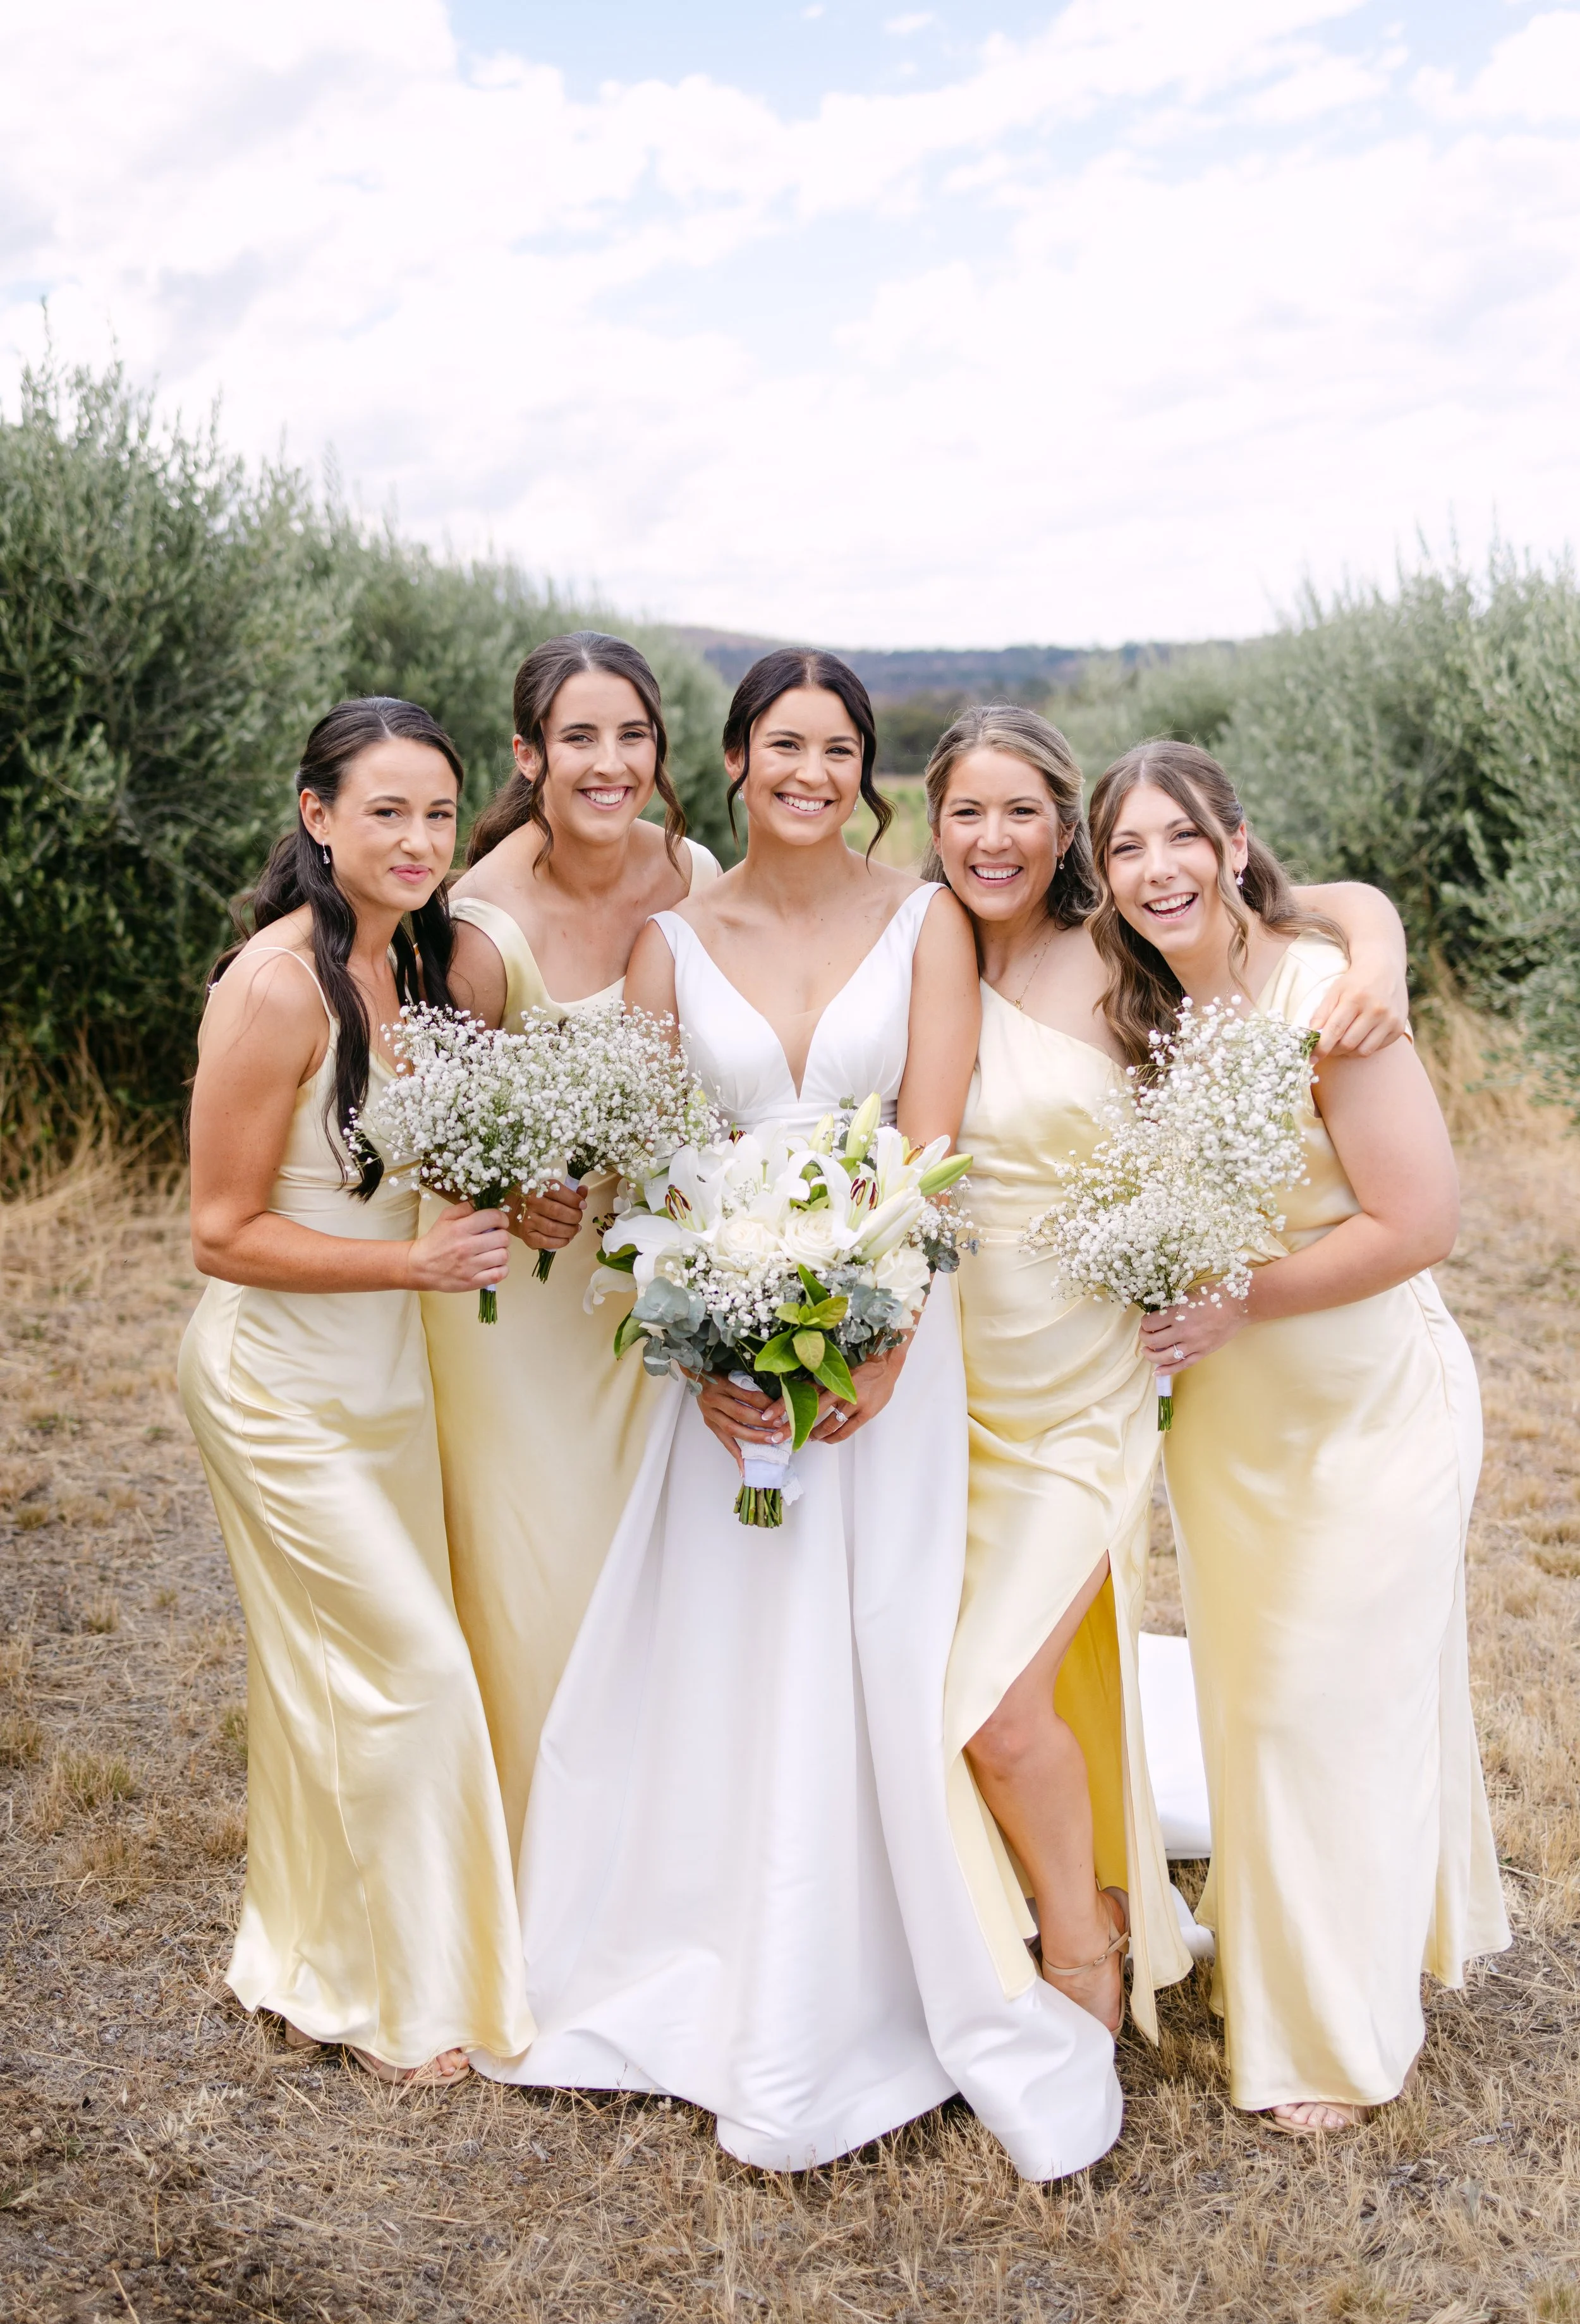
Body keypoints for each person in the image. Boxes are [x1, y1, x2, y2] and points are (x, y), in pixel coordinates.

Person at [476, 652, 1125, 2181]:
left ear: (865, 771)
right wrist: (687, 1318)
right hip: (717, 1345)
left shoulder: (925, 925)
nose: (813, 773)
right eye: (786, 745)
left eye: (840, 749)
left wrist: (879, 1337)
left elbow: (933, 1148)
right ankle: (700, 1953)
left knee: (878, 1636)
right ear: (734, 760)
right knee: (727, 1634)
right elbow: (639, 1162)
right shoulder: (665, 944)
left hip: (890, 1335)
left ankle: (890, 1971)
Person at [925, 707, 1415, 2043]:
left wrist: (1377, 947)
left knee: (996, 1699)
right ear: (931, 826)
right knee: (940, 1675)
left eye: (1023, 810)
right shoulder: (918, 950)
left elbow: (1312, 904)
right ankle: (1060, 1906)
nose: (993, 838)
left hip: (1085, 1383)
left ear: (1059, 831)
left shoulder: (1116, 955)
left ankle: (1086, 1955)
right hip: (946, 1383)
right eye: (965, 811)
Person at [1087, 737, 1510, 2134]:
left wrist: (1237, 1297)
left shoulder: (1323, 996)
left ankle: (1332, 2035)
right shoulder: (1137, 1011)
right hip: (1230, 1431)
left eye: (1177, 837)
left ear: (1230, 840)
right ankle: (1296, 1966)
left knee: (1336, 1707)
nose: (1154, 869)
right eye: (1125, 846)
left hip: (1366, 1410)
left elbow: (1418, 1222)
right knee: (1262, 1715)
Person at [179, 698, 531, 2085]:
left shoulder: (417, 965)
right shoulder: (274, 984)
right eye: (384, 809)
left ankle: (315, 1946)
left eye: (438, 811)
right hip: (277, 1384)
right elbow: (217, 1230)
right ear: (318, 815)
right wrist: (419, 1266)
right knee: (410, 1669)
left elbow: (417, 1174)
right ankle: (396, 1992)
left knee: (337, 1673)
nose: (417, 837)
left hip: (383, 1379)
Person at [426, 632, 722, 1861]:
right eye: (581, 737)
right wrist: (507, 1180)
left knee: (654, 1576)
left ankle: (656, 1850)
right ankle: (533, 1858)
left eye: (632, 736)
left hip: (649, 1285)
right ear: (529, 754)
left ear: (659, 751)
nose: (610, 762)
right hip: (524, 1310)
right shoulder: (480, 918)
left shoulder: (695, 869)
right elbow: (433, 1132)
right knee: (541, 1574)